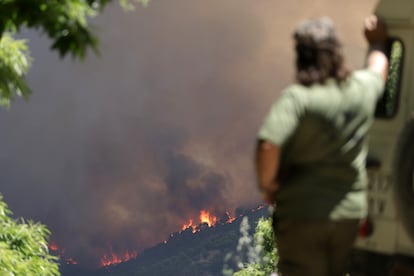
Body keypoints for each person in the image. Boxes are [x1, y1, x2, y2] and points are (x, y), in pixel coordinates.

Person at [255, 15, 388, 276]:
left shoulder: (297, 99)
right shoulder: (359, 91)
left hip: (303, 215)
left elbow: (268, 145)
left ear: (302, 58)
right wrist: (377, 43)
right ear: (337, 53)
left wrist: (268, 185)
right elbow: (378, 70)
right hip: (348, 217)